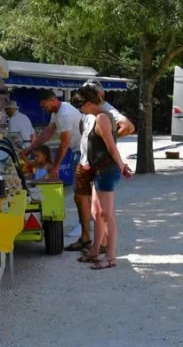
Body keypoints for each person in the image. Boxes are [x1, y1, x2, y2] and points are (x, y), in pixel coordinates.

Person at [71, 86, 132, 270]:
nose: (79, 109)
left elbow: (111, 147)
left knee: (107, 215)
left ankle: (111, 257)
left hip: (107, 170)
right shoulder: (94, 117)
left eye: (80, 105)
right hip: (99, 170)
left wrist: (122, 166)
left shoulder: (103, 118)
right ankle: (95, 251)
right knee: (97, 213)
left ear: (89, 103)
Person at [25, 89, 83, 180]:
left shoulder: (64, 114)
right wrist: (30, 148)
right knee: (79, 186)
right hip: (78, 150)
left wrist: (56, 166)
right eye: (42, 107)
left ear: (52, 101)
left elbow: (64, 144)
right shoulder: (56, 112)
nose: (44, 110)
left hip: (82, 151)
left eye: (45, 106)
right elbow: (48, 132)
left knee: (80, 187)